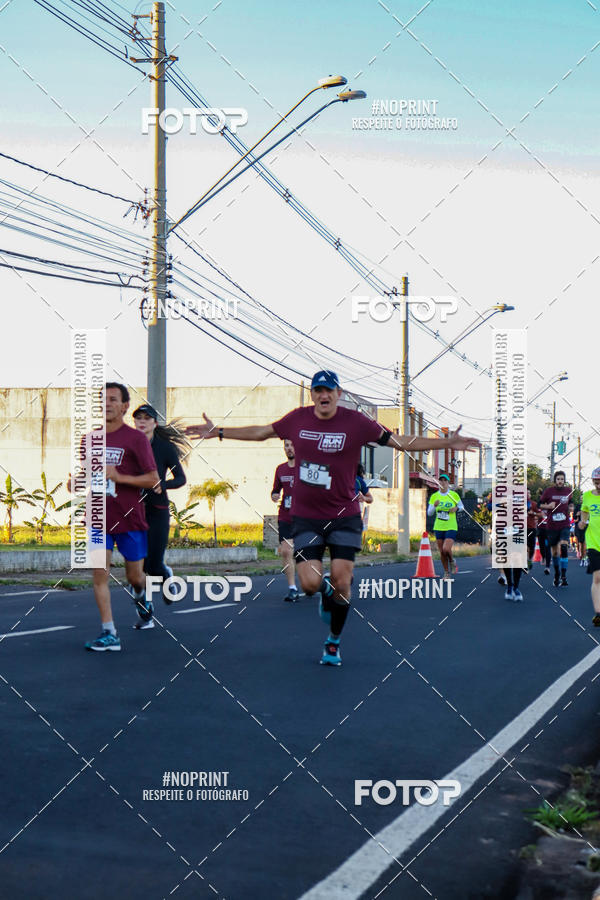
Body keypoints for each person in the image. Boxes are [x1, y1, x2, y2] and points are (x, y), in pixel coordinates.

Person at [185, 370, 479, 666]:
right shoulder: (297, 419)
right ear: (313, 394)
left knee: (343, 580)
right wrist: (219, 432)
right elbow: (262, 433)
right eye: (318, 390)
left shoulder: (356, 423)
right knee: (310, 585)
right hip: (306, 517)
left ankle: (333, 642)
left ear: (338, 394)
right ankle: (326, 590)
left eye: (329, 390)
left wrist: (444, 444)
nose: (323, 395)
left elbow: (399, 442)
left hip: (344, 516)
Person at [68, 383, 159, 651]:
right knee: (99, 573)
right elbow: (86, 474)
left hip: (129, 519)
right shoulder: (89, 439)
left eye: (113, 399)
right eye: (102, 399)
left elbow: (153, 479)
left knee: (134, 576)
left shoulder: (136, 439)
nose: (106, 404)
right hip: (98, 517)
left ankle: (142, 595)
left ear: (124, 406)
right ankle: (109, 633)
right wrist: (76, 481)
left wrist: (120, 477)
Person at [133, 403, 188, 616]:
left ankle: (165, 575)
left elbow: (181, 478)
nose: (142, 422)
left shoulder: (164, 448)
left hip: (157, 510)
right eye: (138, 418)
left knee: (154, 564)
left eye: (147, 418)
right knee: (140, 566)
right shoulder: (129, 447)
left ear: (155, 423)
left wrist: (162, 485)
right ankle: (146, 610)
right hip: (132, 511)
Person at [271, 439, 298, 602]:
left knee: (306, 555)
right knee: (287, 551)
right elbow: (275, 490)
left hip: (306, 518)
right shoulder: (280, 469)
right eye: (286, 445)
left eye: (292, 445)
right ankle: (292, 588)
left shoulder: (306, 468)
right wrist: (274, 495)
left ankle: (314, 581)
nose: (289, 448)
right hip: (286, 516)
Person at [538, 471, 573, 587]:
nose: (560, 481)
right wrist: (548, 506)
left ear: (564, 480)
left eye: (562, 479)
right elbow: (539, 505)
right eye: (558, 479)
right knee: (555, 552)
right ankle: (557, 573)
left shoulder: (568, 491)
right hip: (552, 526)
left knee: (563, 546)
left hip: (564, 524)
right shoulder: (548, 491)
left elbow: (571, 504)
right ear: (555, 480)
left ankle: (564, 575)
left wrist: (571, 507)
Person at [427, 474, 463, 579]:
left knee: (446, 548)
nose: (442, 482)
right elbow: (429, 513)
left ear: (448, 483)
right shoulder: (434, 496)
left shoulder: (453, 495)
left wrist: (456, 508)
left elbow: (461, 507)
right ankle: (446, 572)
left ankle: (452, 561)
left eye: (445, 481)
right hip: (439, 526)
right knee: (442, 552)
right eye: (441, 481)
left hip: (451, 526)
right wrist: (434, 506)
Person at [580, 469, 600, 626]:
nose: (598, 484)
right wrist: (582, 522)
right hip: (593, 541)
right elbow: (584, 513)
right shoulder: (587, 496)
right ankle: (598, 613)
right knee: (597, 577)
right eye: (596, 481)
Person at [355, 463, 374, 539]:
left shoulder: (358, 480)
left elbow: (370, 498)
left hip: (354, 514)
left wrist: (364, 498)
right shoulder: (339, 478)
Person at [526, 490, 539, 570]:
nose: (527, 494)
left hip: (531, 528)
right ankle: (524, 562)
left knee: (531, 546)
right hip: (520, 528)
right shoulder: (517, 504)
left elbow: (541, 514)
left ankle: (529, 559)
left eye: (528, 493)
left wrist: (533, 513)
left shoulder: (533, 504)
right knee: (524, 546)